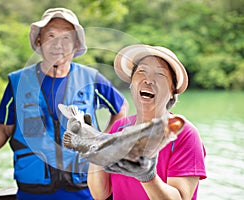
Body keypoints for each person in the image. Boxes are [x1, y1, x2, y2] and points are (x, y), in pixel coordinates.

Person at [0, 7, 126, 200]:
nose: (58, 45)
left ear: (75, 45)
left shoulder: (92, 78)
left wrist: (104, 142)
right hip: (33, 193)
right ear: (39, 41)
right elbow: (2, 129)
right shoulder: (18, 82)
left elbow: (120, 108)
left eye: (66, 38)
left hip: (86, 190)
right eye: (51, 36)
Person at [86, 44, 207, 200]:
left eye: (160, 75)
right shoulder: (119, 127)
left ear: (171, 92)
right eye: (142, 71)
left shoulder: (184, 133)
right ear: (131, 84)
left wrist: (147, 176)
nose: (148, 80)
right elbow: (100, 194)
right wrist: (95, 151)